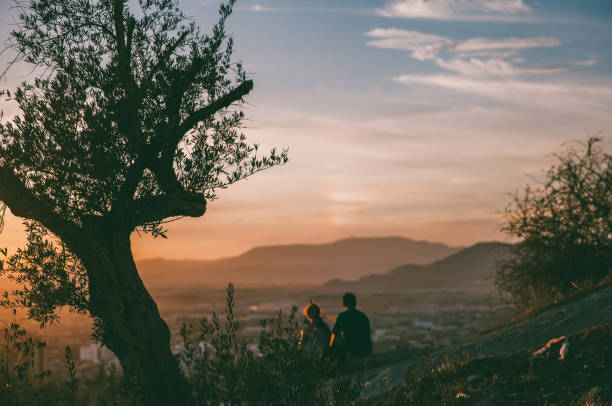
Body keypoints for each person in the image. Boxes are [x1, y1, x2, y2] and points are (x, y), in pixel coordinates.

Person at [331, 292, 372, 359]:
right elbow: (367, 335)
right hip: (364, 348)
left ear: (344, 303)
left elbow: (334, 333)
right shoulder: (363, 316)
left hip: (350, 348)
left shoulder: (342, 316)